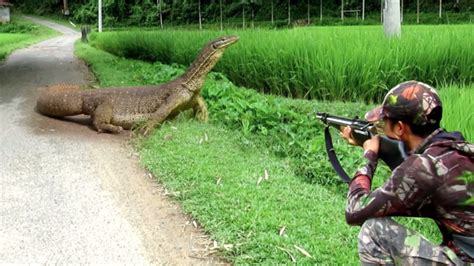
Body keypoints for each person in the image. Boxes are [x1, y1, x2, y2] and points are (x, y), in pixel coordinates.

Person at [341, 80, 474, 264]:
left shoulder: (424, 167)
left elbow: (354, 210)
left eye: (384, 122)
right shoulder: (459, 151)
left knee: (375, 231)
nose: (380, 126)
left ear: (400, 128)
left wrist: (370, 154)